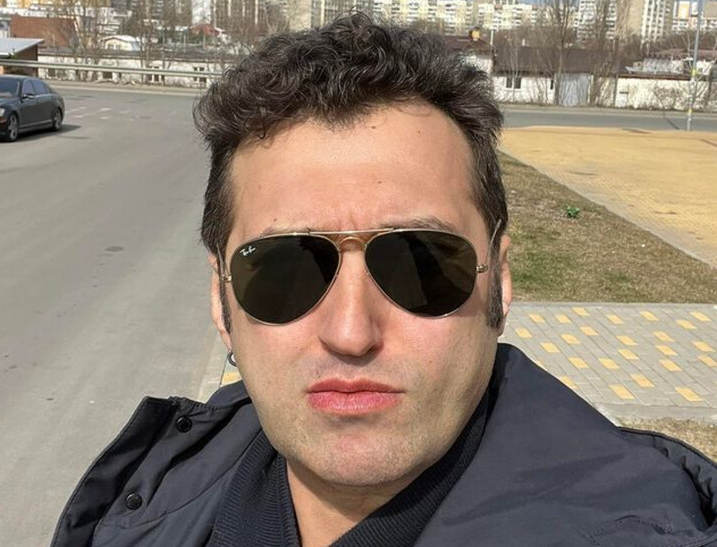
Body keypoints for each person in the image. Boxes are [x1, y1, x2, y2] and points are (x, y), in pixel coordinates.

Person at [51, 14, 717, 547]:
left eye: (420, 264)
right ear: (221, 301)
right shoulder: (150, 495)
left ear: (500, 283)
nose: (351, 332)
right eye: (283, 270)